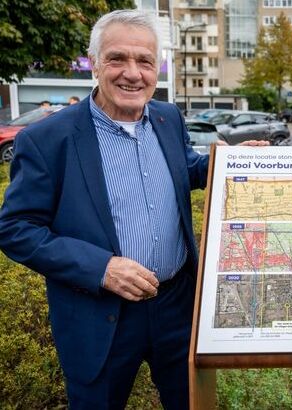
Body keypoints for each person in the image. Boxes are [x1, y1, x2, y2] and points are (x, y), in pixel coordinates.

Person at [0, 9, 266, 409]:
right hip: (99, 313)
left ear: (156, 67)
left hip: (177, 305)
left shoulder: (167, 117)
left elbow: (181, 171)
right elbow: (16, 228)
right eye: (117, 58)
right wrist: (101, 268)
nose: (132, 73)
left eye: (144, 61)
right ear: (94, 64)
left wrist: (225, 164)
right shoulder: (47, 139)